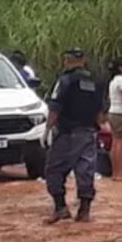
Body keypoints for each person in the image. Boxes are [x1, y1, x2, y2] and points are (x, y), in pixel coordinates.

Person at [44, 48, 104, 224]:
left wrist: (48, 129)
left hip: (67, 133)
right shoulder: (96, 81)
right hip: (88, 132)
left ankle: (60, 208)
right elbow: (101, 112)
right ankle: (84, 212)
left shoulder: (65, 80)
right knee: (85, 170)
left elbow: (55, 107)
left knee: (54, 169)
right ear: (83, 60)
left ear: (66, 61)